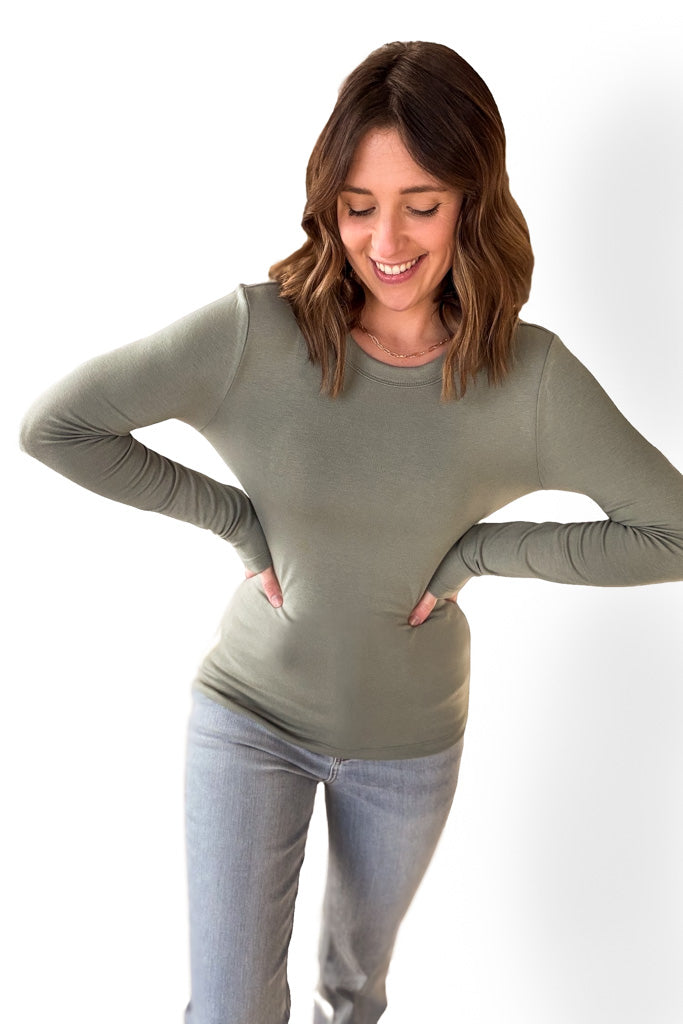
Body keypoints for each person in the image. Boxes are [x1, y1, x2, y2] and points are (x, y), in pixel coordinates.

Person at [19, 39, 683, 1024]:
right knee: (229, 1009)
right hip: (248, 715)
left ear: (471, 198)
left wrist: (478, 554)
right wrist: (237, 523)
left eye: (421, 203)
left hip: (406, 742)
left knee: (352, 994)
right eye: (357, 205)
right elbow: (57, 427)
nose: (387, 240)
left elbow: (668, 531)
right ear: (328, 204)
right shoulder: (257, 333)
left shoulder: (528, 379)